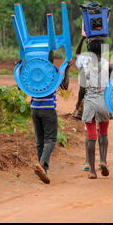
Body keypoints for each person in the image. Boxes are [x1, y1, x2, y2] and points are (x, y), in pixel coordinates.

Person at [75, 35, 111, 179]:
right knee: (103, 132)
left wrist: (78, 103)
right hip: (104, 101)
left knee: (91, 136)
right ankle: (103, 160)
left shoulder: (85, 67)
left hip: (90, 102)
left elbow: (82, 89)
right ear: (103, 51)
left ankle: (92, 171)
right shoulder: (108, 64)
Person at [32, 51, 70, 184]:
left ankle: (43, 170)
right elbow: (64, 86)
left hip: (34, 108)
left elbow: (22, 86)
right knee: (51, 139)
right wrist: (66, 70)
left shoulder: (33, 68)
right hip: (48, 108)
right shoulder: (52, 69)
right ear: (51, 58)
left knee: (40, 141)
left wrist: (19, 68)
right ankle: (42, 165)